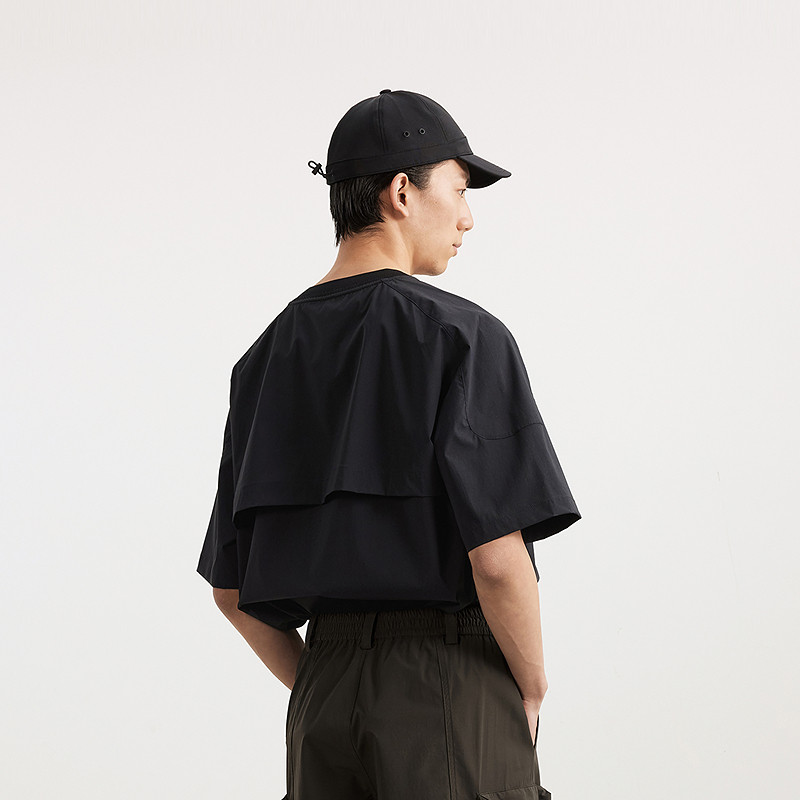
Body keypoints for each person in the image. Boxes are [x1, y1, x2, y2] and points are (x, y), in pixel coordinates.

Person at [196, 89, 581, 800]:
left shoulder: (262, 361)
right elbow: (498, 561)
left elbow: (231, 589)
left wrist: (325, 680)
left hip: (322, 703)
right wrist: (529, 687)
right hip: (448, 688)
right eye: (459, 190)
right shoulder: (462, 336)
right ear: (402, 192)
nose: (467, 218)